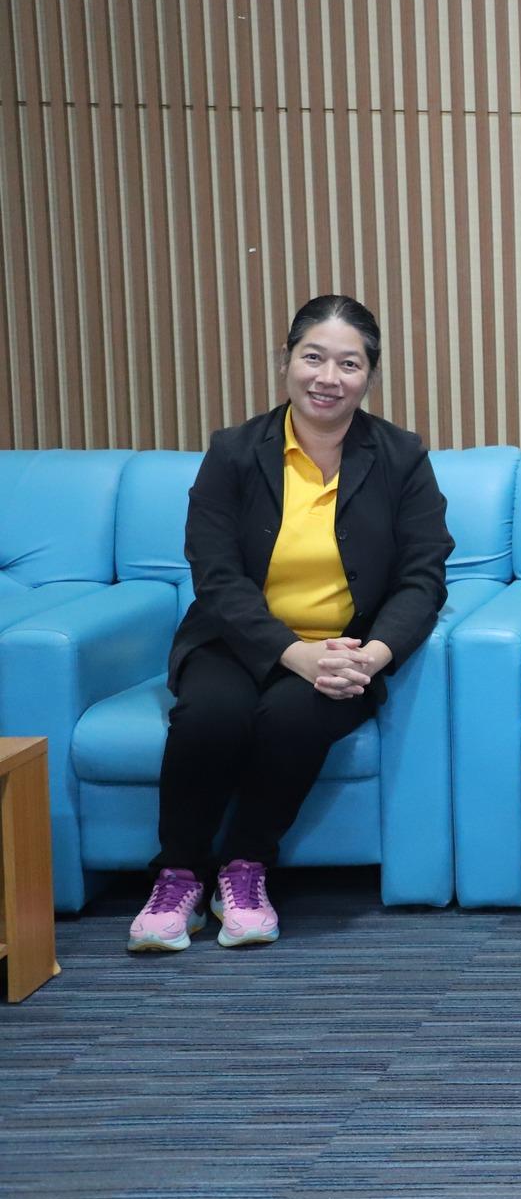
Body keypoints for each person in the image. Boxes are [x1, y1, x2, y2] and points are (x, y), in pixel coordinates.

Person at [128, 296, 452, 952]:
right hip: (232, 639)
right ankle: (178, 875)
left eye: (349, 363)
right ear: (286, 361)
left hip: (345, 648)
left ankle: (245, 868)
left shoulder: (401, 457)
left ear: (370, 375)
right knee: (210, 715)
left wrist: (374, 655)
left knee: (291, 717)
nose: (328, 377)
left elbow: (424, 574)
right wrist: (292, 653)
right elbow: (215, 573)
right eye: (313, 357)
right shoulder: (234, 452)